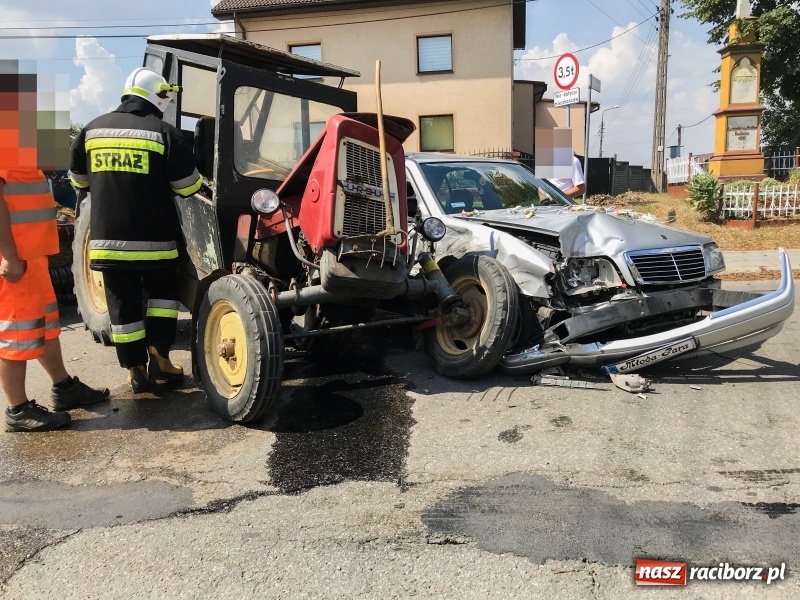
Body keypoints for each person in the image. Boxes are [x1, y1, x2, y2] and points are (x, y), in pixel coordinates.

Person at [69, 67, 203, 393]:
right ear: (159, 97)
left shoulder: (91, 130)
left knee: (122, 304)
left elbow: (79, 182)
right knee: (163, 298)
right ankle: (161, 358)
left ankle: (135, 370)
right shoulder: (164, 132)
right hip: (156, 242)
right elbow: (188, 187)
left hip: (107, 243)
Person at [1, 169, 110, 432]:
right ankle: (18, 409)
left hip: (32, 255)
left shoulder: (18, 151)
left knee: (45, 327)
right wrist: (9, 255)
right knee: (15, 333)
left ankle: (64, 387)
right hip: (17, 258)